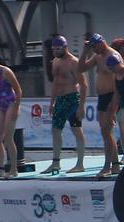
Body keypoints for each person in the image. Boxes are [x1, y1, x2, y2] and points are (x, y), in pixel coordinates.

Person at [44, 36, 87, 174]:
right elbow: (55, 83)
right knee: (55, 130)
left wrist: (81, 106)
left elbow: (84, 85)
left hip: (73, 99)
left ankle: (80, 164)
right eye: (53, 49)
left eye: (58, 49)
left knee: (77, 131)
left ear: (65, 47)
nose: (55, 51)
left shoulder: (74, 62)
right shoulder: (55, 62)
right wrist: (52, 103)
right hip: (60, 101)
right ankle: (55, 163)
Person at [0, 51, 20, 179]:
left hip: (11, 102)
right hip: (1, 104)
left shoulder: (6, 72)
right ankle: (1, 169)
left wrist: (17, 107)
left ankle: (13, 169)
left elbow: (18, 90)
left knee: (8, 137)